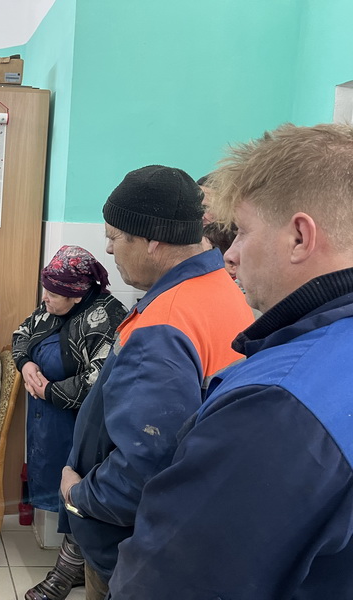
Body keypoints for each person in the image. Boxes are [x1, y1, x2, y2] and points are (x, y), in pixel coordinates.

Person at [109, 124, 353, 599]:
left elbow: (173, 583)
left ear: (300, 237)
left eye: (241, 231)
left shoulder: (276, 406)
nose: (231, 255)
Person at [54, 165, 254, 599]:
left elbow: (145, 465)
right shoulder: (220, 289)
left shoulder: (165, 325)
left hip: (129, 546)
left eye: (114, 236)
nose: (109, 248)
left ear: (152, 241)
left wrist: (79, 495)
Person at [13, 245, 127, 600]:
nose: (44, 298)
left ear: (77, 295)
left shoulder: (108, 317)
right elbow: (21, 334)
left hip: (84, 426)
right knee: (55, 484)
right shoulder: (51, 306)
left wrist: (48, 391)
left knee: (78, 492)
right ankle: (75, 565)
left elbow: (99, 380)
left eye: (52, 293)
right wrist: (25, 365)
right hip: (47, 423)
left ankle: (67, 571)